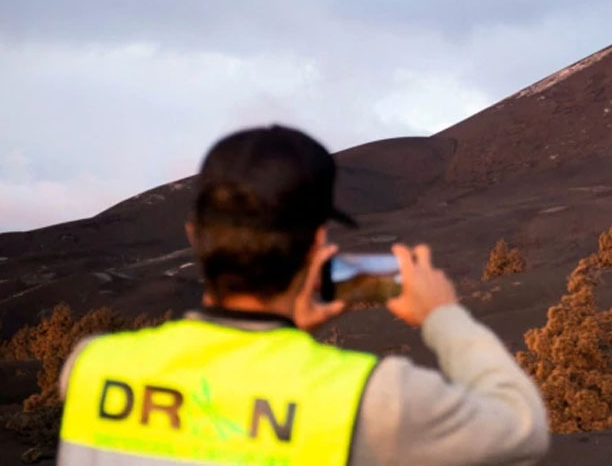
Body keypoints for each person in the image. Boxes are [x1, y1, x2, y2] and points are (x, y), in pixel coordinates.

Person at [57, 125, 550, 465]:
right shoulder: (371, 398)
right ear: (318, 245)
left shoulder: (89, 367)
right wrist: (443, 315)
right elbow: (521, 427)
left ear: (195, 235)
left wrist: (285, 339)